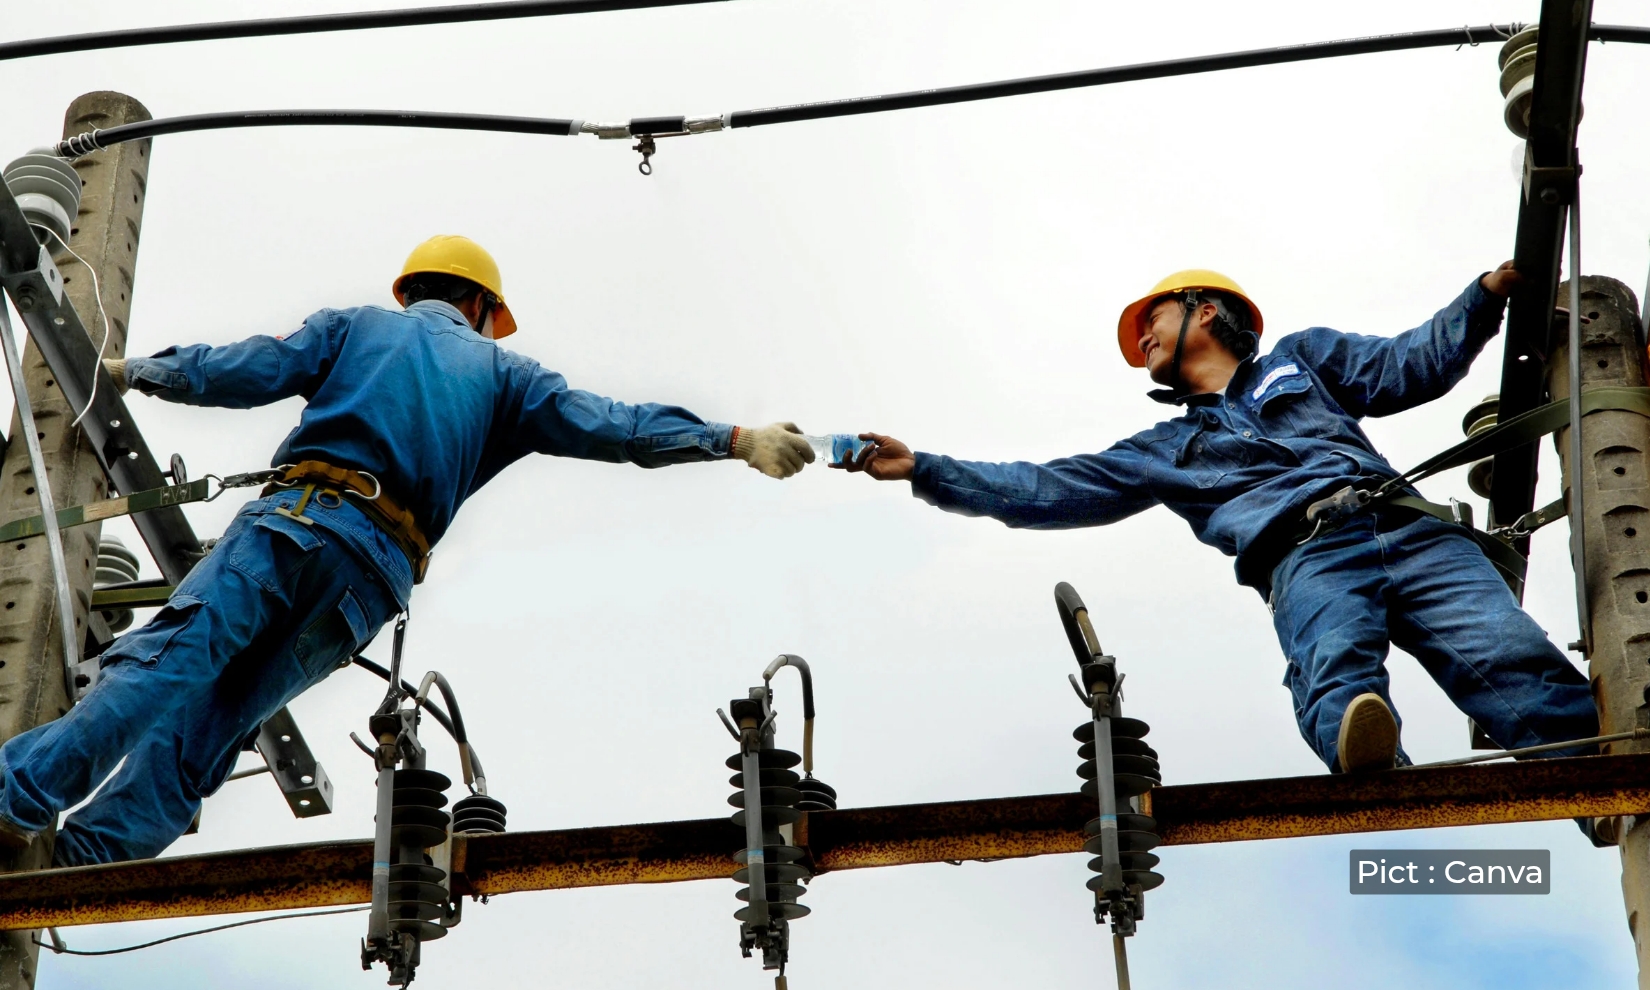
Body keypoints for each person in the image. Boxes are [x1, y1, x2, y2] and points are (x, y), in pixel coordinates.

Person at [0, 234, 815, 865]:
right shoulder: (509, 377)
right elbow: (621, 426)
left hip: (297, 524)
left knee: (168, 665)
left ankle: (16, 804)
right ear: (479, 304)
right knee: (213, 723)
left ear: (418, 290)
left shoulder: (359, 328)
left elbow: (249, 366)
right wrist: (732, 438)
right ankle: (75, 866)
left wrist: (144, 372)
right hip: (370, 585)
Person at [842, 264, 1598, 776]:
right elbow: (1046, 488)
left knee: (1508, 652)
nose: (1141, 339)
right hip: (1306, 553)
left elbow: (1408, 366)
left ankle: (1599, 781)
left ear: (1205, 310)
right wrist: (925, 468)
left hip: (1409, 529)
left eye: (1152, 321)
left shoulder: (1302, 362)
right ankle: (1372, 768)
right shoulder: (1168, 446)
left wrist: (1485, 294)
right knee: (1335, 661)